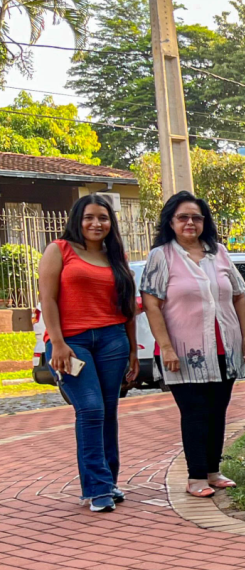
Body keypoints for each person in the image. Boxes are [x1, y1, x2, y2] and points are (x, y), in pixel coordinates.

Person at [140, 192, 245, 498]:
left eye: (196, 217)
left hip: (224, 349)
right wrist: (165, 346)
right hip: (183, 351)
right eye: (183, 217)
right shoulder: (161, 256)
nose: (190, 222)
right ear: (171, 222)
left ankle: (213, 471)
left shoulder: (218, 252)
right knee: (194, 412)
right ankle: (195, 477)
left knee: (218, 411)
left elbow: (239, 295)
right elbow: (152, 304)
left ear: (205, 222)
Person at [38, 194, 139, 513]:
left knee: (108, 411)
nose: (97, 223)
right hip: (71, 342)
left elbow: (127, 307)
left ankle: (108, 481)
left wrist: (134, 350)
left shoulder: (116, 255)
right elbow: (48, 300)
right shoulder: (59, 250)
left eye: (103, 218)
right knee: (91, 409)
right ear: (77, 220)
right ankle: (97, 488)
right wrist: (58, 342)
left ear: (111, 223)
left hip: (113, 340)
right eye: (89, 217)